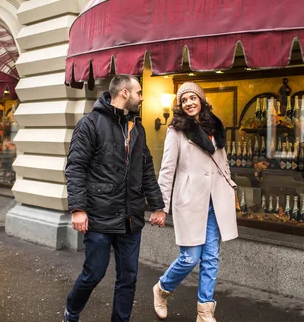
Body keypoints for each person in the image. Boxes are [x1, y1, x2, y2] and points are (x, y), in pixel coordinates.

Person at [64, 75, 166, 322]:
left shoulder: (137, 128)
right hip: (100, 216)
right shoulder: (90, 124)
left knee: (128, 277)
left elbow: (145, 170)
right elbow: (75, 167)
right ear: (124, 93)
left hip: (131, 218)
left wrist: (157, 206)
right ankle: (72, 311)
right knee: (94, 273)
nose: (142, 97)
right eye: (139, 92)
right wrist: (78, 208)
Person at [153, 82, 238, 322]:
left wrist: (229, 186)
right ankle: (161, 289)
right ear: (180, 105)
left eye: (193, 98)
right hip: (190, 200)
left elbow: (223, 163)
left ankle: (204, 312)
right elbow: (167, 170)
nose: (189, 103)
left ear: (201, 99)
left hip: (215, 201)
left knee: (211, 258)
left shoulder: (215, 127)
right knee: (190, 257)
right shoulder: (176, 130)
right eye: (184, 100)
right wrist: (161, 206)